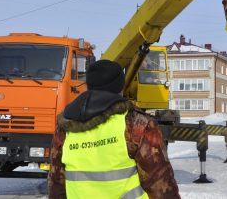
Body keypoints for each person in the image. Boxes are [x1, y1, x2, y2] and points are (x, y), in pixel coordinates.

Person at [48, 59, 180, 199]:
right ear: (120, 86)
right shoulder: (136, 125)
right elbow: (160, 184)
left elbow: (56, 184)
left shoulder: (66, 127)